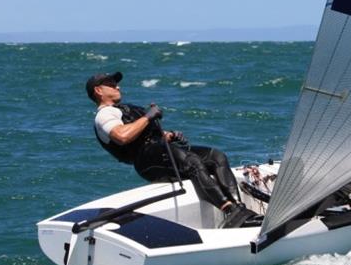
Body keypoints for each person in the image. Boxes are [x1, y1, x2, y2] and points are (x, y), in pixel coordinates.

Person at [86, 71, 256, 228]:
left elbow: (147, 136)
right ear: (98, 90)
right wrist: (148, 116)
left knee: (216, 157)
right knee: (192, 163)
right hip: (145, 161)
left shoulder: (122, 110)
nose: (118, 86)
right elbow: (122, 136)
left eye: (117, 83)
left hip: (157, 153)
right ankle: (229, 211)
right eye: (111, 83)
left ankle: (239, 210)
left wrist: (169, 136)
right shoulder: (104, 114)